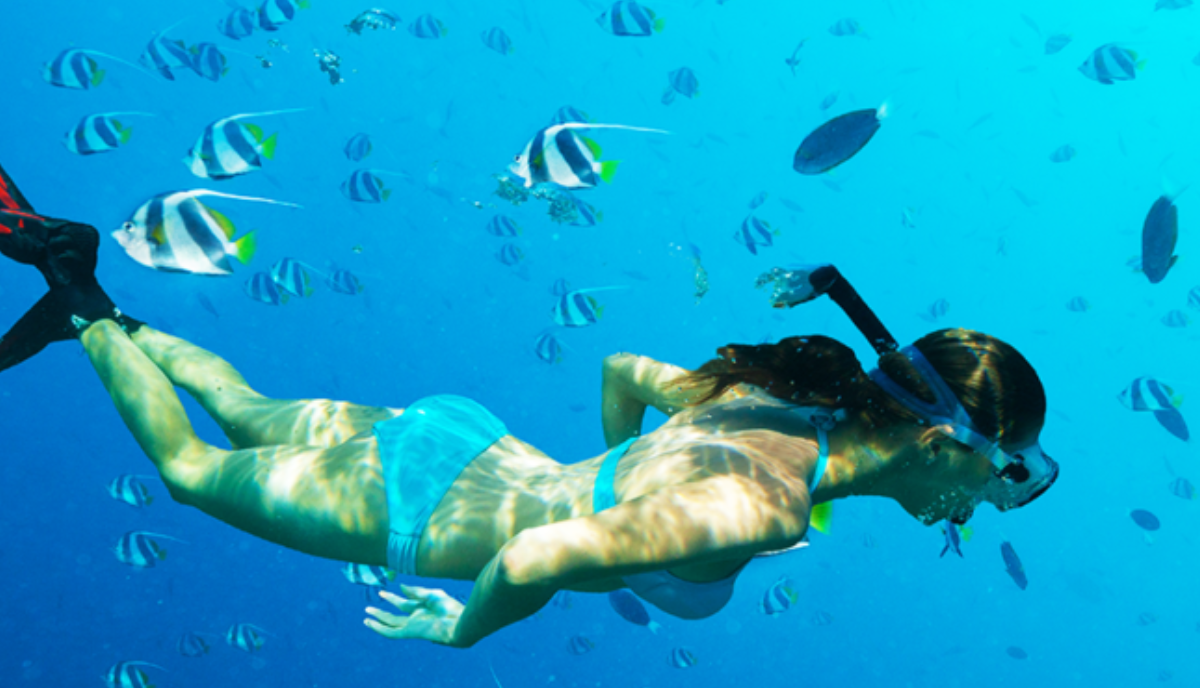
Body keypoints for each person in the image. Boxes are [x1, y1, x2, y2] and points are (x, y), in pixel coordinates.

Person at [0, 163, 1058, 648]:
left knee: (243, 399)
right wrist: (466, 629)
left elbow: (626, 370)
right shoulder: (770, 507)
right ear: (940, 439)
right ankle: (81, 293)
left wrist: (612, 472)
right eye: (1008, 472)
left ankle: (89, 317)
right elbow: (538, 559)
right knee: (187, 472)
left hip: (463, 439)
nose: (997, 499)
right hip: (424, 510)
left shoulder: (784, 404)